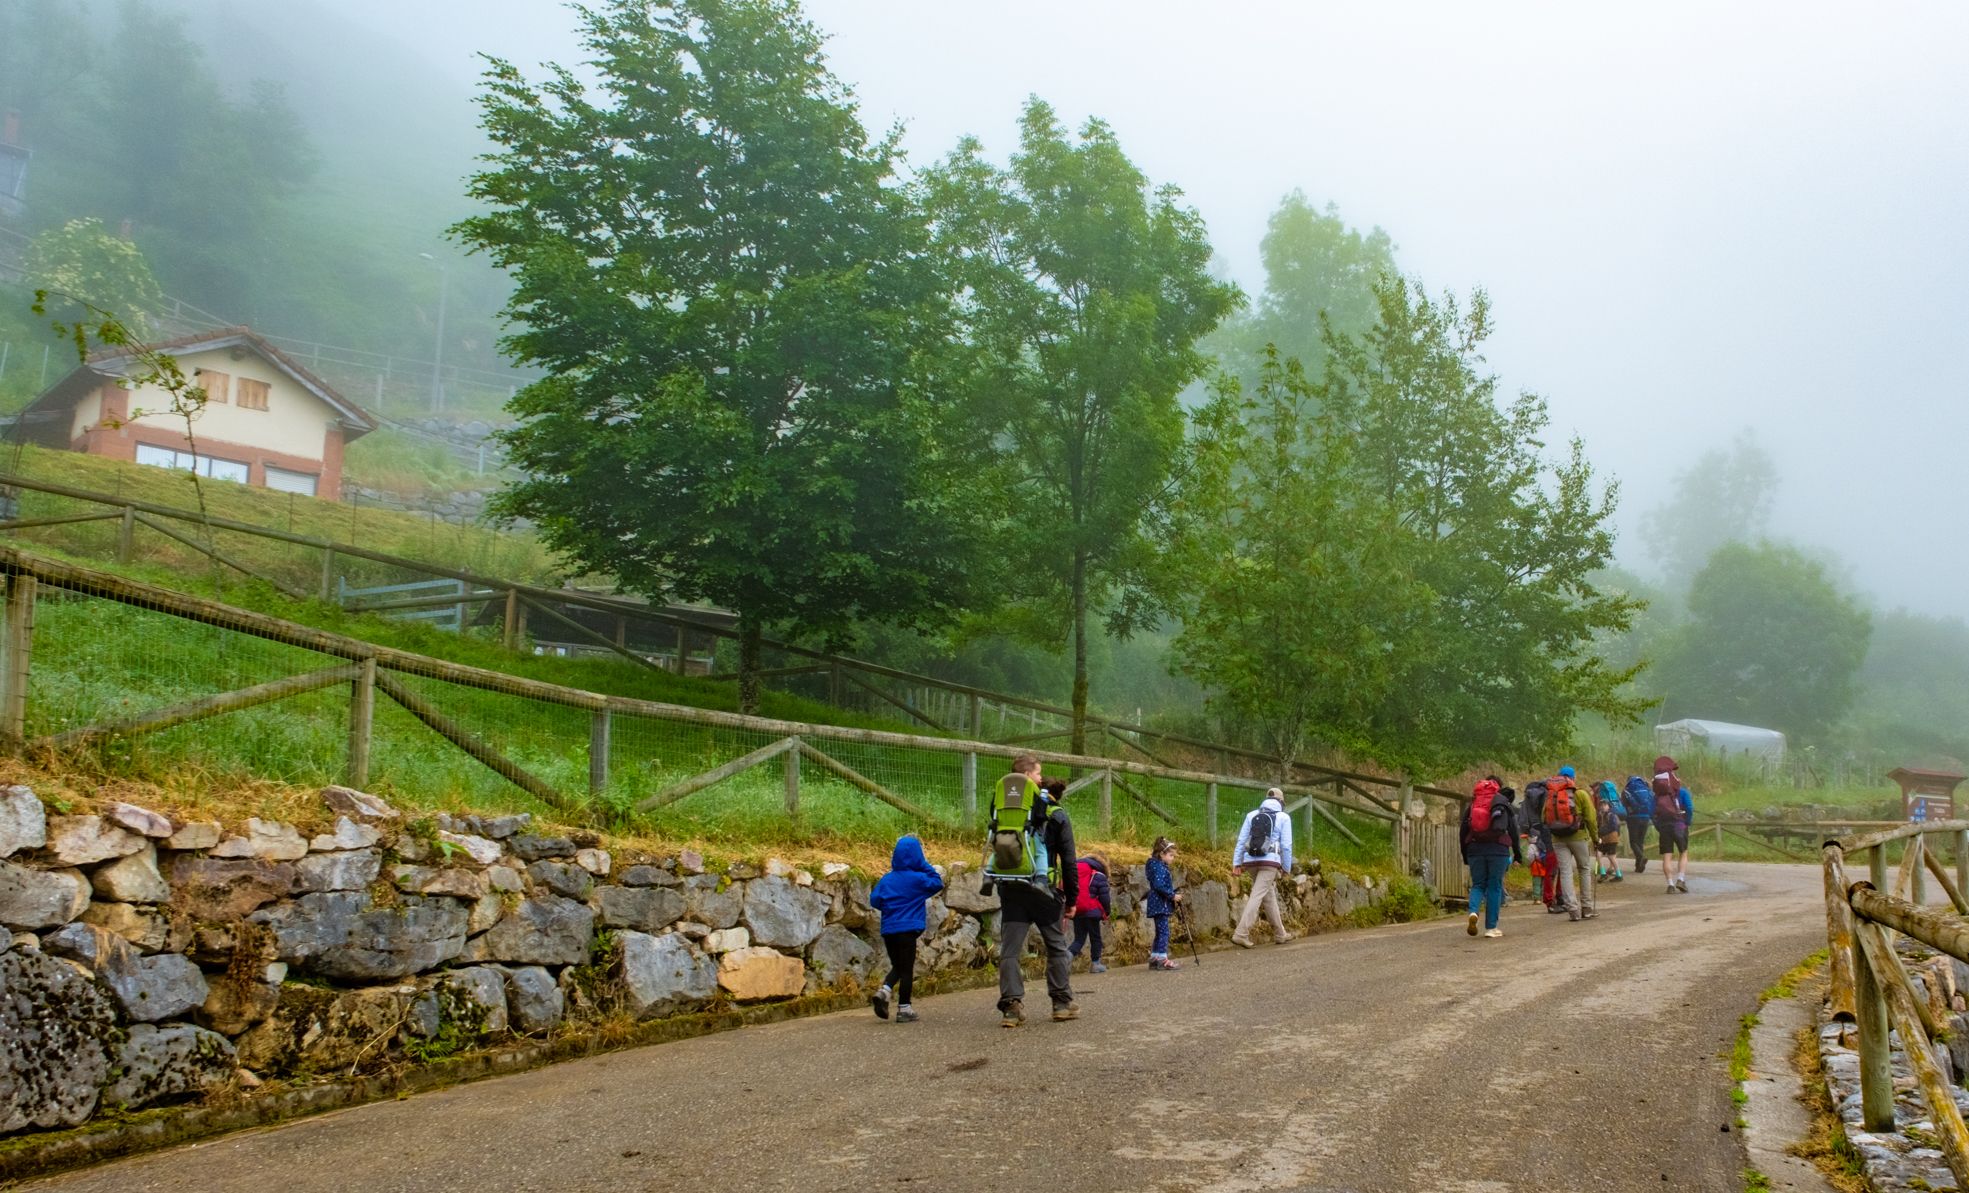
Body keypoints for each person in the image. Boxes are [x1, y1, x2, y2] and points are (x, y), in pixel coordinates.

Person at [992, 753, 1079, 1026]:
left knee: (1010, 950)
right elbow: (1069, 861)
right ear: (1029, 776)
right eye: (1038, 773)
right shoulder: (1055, 814)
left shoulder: (1003, 804)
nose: (1041, 778)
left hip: (1011, 886)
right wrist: (1073, 899)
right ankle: (1061, 1003)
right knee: (1056, 946)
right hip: (1044, 891)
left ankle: (1011, 1007)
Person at [868, 833, 944, 1023]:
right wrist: (923, 864)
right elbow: (937, 882)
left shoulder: (887, 879)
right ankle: (904, 1008)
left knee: (898, 966)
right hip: (908, 930)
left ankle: (884, 991)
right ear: (918, 855)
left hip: (889, 930)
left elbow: (875, 900)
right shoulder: (918, 879)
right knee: (906, 969)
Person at [1230, 788, 1295, 948]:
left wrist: (1237, 863)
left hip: (1250, 860)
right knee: (1257, 895)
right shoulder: (1283, 817)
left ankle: (1280, 933)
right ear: (1281, 802)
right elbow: (1286, 846)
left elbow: (1242, 840)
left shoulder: (1252, 815)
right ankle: (1241, 934)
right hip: (1269, 862)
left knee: (1268, 895)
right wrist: (1286, 868)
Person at [1460, 776, 1522, 939]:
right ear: (1498, 788)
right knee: (1494, 886)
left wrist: (1465, 854)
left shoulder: (1474, 803)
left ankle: (1473, 912)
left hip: (1474, 848)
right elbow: (1514, 831)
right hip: (1498, 849)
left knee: (1478, 884)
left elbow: (1463, 830)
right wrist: (1517, 854)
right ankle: (1491, 928)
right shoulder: (1502, 802)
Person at [1544, 764, 1598, 921]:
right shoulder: (1580, 794)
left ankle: (1573, 910)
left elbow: (1543, 817)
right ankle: (1586, 908)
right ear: (1573, 778)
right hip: (1579, 837)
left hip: (1558, 839)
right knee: (1584, 869)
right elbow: (1591, 818)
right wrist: (1595, 838)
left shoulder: (1551, 795)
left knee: (1566, 872)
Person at [1652, 754, 1691, 894]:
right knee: (1683, 852)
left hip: (1664, 825)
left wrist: (1658, 826)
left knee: (1667, 855)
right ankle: (1681, 879)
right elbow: (1689, 808)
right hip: (1679, 824)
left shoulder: (1657, 795)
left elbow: (1652, 812)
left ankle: (1670, 884)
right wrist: (1687, 822)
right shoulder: (1682, 792)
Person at [1067, 855, 1112, 973]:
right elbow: (1104, 897)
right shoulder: (1098, 875)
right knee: (1095, 938)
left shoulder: (1075, 872)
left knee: (1079, 939)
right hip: (1092, 912)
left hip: (1077, 910)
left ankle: (1065, 958)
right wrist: (1107, 911)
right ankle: (1095, 964)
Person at [1521, 778, 1561, 912]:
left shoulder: (1528, 795)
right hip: (1550, 832)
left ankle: (1543, 898)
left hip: (1536, 831)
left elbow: (1523, 820)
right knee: (1558, 867)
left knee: (1540, 876)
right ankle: (1558, 898)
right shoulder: (1550, 794)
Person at [1144, 836, 1183, 971]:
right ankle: (1162, 959)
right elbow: (1159, 885)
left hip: (1156, 902)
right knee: (1164, 931)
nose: (1173, 858)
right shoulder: (1160, 867)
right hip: (1160, 903)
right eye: (1171, 855)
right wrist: (1172, 895)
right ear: (1162, 854)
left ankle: (1155, 957)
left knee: (1160, 931)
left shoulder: (1155, 865)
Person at [1620, 774, 1654, 874]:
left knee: (1633, 842)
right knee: (1640, 842)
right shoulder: (1646, 788)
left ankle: (1641, 857)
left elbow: (1623, 805)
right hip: (1646, 817)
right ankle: (1639, 867)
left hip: (1633, 818)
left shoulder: (1627, 790)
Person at [1592, 780, 1624, 882]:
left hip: (1611, 839)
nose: (1603, 806)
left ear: (1609, 806)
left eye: (1605, 805)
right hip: (1604, 839)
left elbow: (1613, 827)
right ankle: (1603, 873)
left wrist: (1601, 831)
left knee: (1611, 857)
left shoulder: (1612, 815)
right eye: (1601, 805)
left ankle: (1619, 875)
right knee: (1598, 854)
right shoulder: (1600, 815)